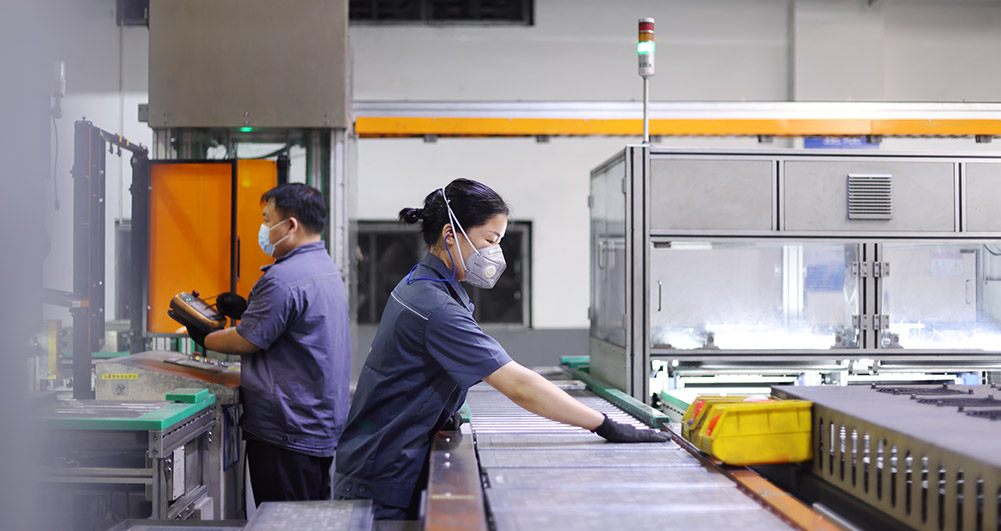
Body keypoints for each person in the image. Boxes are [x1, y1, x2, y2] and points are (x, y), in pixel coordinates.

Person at [333, 178, 668, 520]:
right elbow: (519, 385)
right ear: (450, 235)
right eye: (490, 240)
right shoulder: (434, 306)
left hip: (381, 462)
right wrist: (604, 425)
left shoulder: (425, 283)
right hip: (379, 477)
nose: (494, 253)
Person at [177, 183, 350, 505]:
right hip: (317, 424)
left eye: (268, 220)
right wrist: (248, 311)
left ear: (291, 225)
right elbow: (294, 325)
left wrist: (203, 335)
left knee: (285, 521)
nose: (264, 229)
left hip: (287, 429)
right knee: (308, 518)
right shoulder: (325, 268)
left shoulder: (283, 278)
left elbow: (247, 340)